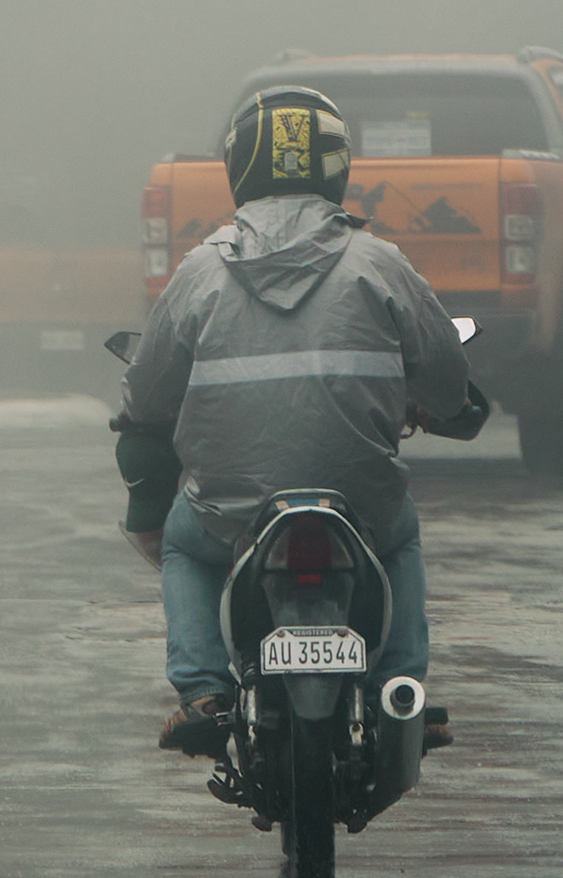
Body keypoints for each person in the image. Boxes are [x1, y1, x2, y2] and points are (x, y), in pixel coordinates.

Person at [114, 86, 486, 753]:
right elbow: (444, 373)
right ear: (336, 167)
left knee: (181, 544)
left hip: (230, 508)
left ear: (240, 168)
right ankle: (400, 690)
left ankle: (203, 690)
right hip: (358, 503)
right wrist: (452, 409)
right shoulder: (380, 262)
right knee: (399, 538)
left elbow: (145, 397)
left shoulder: (200, 270)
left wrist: (146, 414)